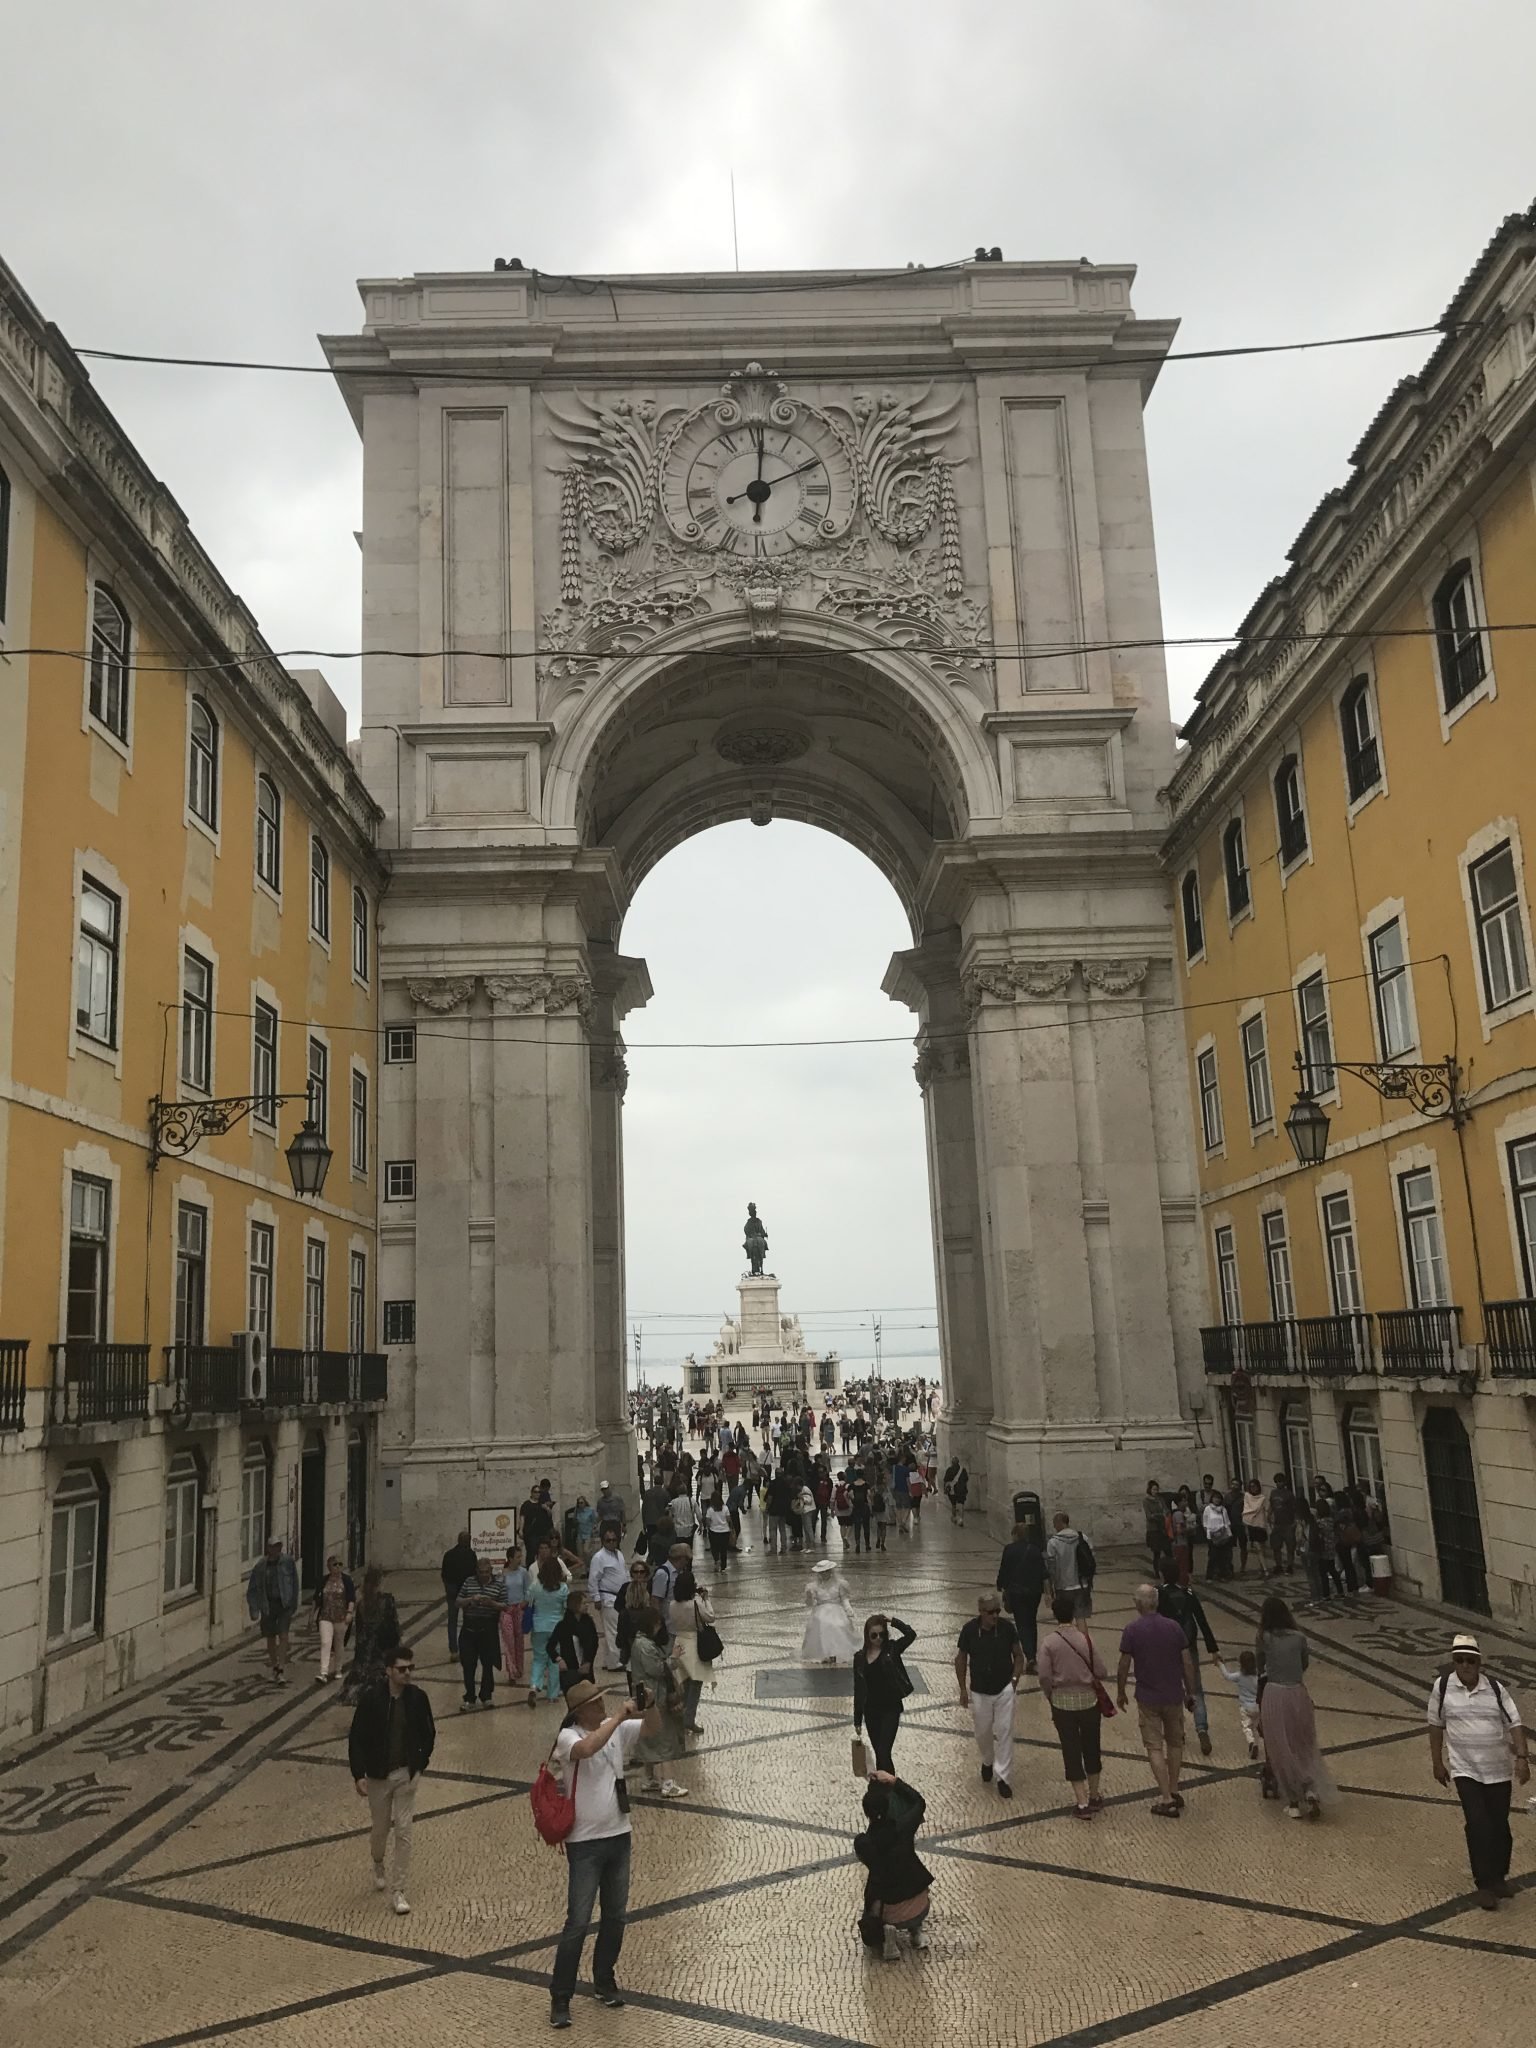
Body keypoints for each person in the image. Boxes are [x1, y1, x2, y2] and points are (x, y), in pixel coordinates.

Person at [548, 1681, 647, 2028]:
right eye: (597, 1702)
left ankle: (604, 1980)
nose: (604, 1705)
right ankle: (561, 1997)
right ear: (580, 1710)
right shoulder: (568, 1737)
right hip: (585, 1842)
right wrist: (619, 1716)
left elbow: (655, 1727)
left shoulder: (615, 1728)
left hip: (620, 1834)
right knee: (577, 1921)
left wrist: (657, 1700)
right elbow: (588, 1749)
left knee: (616, 1916)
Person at [1427, 1631, 1529, 1910]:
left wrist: (1522, 1757)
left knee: (1499, 1825)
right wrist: (1437, 1762)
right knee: (1478, 1823)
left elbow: (1515, 1722)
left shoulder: (1495, 1689)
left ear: (1479, 1662)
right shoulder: (1443, 1687)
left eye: (1470, 1661)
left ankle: (1498, 1877)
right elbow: (1435, 1725)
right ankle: (1483, 1884)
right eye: (1459, 1661)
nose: (1465, 1666)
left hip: (1497, 1769)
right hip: (1465, 1769)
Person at [348, 1642, 435, 1917]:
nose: (407, 1673)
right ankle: (377, 1861)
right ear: (388, 1671)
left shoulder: (418, 1698)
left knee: (405, 1831)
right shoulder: (372, 1699)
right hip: (377, 1775)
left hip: (406, 1773)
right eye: (401, 1669)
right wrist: (358, 1774)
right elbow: (356, 1738)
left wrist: (419, 1766)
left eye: (411, 1668)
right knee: (380, 1829)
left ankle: (399, 1890)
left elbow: (428, 1734)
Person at [1116, 1582, 1196, 1818]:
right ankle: (1174, 1788)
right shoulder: (1174, 1627)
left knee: (1154, 1746)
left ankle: (1166, 1797)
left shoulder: (1131, 1630)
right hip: (1174, 1694)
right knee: (1175, 1743)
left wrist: (1120, 1691)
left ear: (1138, 1604)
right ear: (1157, 1602)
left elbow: (1123, 1665)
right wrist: (1191, 1692)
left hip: (1148, 1696)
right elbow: (1187, 1662)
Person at [1255, 1594, 1335, 1819]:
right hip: (1298, 1693)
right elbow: (1304, 1663)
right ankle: (1310, 1787)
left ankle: (1293, 1801)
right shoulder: (1299, 1637)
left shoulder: (1264, 1637)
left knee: (1281, 1747)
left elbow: (1259, 1664)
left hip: (1274, 1694)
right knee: (1303, 1743)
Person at [1037, 1591, 1109, 1819]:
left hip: (1062, 1703)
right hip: (1089, 1701)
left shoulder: (1049, 1643)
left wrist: (1050, 1695)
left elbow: (1044, 1676)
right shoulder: (1085, 1639)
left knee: (1071, 1749)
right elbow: (1102, 1671)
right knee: (1091, 1746)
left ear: (1055, 1615)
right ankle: (1095, 1794)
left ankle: (1081, 1803)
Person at [854, 1772, 933, 1962]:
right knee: (910, 1881)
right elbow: (919, 1803)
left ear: (866, 1812)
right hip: (917, 1904)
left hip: (888, 1907)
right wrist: (896, 1782)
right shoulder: (904, 1827)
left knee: (873, 1894)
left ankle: (888, 1934)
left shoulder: (864, 1843)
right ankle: (916, 1932)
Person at [954, 1593, 1025, 1799]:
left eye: (997, 1611)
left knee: (1005, 1732)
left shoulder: (1007, 1628)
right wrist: (962, 1689)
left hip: (1004, 1689)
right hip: (979, 1691)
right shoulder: (969, 1630)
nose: (995, 1615)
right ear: (981, 1612)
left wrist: (1013, 1681)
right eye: (990, 1612)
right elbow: (960, 1659)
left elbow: (1019, 1655)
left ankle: (1003, 1777)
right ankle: (987, 1760)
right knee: (982, 1732)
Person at [1157, 1566, 1220, 1757]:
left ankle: (1179, 1731)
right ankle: (1202, 1729)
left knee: (1174, 1689)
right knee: (1196, 1689)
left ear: (1162, 1575)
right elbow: (1202, 1620)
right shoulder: (1188, 1594)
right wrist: (1213, 1649)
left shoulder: (1159, 1595)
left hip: (1168, 1650)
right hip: (1189, 1646)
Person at [627, 1607, 687, 1798]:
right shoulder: (645, 1646)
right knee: (664, 1738)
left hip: (644, 1696)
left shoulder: (639, 1643)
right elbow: (657, 1669)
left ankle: (649, 1778)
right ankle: (668, 1783)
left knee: (648, 1738)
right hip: (656, 1697)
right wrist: (674, 1658)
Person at [853, 1611, 917, 1775]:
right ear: (867, 1636)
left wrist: (894, 1621)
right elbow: (858, 1689)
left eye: (882, 1634)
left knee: (884, 1752)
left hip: (891, 1708)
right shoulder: (859, 1658)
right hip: (871, 1711)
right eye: (874, 1635)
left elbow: (911, 1634)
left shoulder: (892, 1649)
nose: (878, 1639)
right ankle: (884, 1790)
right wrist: (857, 1719)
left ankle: (891, 1790)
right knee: (879, 1754)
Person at [669, 1563, 717, 1735]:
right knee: (695, 1684)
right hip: (694, 1643)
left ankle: (681, 1716)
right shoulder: (695, 1604)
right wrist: (706, 1600)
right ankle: (688, 1718)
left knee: (684, 1682)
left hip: (679, 1642)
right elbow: (710, 1617)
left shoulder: (672, 1604)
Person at [246, 1538, 299, 1683]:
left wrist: (294, 1603)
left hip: (284, 1604)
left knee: (283, 1635)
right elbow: (252, 1589)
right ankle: (275, 1665)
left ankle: (281, 1667)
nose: (275, 1549)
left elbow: (294, 1583)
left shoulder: (288, 1562)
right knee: (270, 1637)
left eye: (278, 1546)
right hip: (268, 1605)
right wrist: (254, 1608)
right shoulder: (260, 1566)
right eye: (272, 1546)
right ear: (268, 1548)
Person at [995, 1521, 1046, 1672]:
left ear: (1015, 1535)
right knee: (1031, 1621)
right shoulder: (1035, 1549)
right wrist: (1048, 1592)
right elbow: (1043, 1572)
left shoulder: (1009, 1549)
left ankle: (1029, 1656)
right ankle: (1032, 1656)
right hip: (1034, 1592)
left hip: (1017, 1592)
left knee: (1022, 1623)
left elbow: (1004, 1569)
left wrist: (1000, 1585)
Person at [457, 1556, 504, 1709]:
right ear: (476, 1572)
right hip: (469, 1628)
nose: (483, 1575)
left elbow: (505, 1605)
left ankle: (486, 1695)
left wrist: (491, 1603)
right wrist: (471, 1600)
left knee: (488, 1663)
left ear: (491, 1571)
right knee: (468, 1664)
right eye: (481, 1572)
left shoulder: (499, 1583)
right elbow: (457, 1601)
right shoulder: (468, 1582)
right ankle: (469, 1696)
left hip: (488, 1628)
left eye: (486, 1572)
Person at [528, 1551, 570, 1707]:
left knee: (539, 1659)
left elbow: (528, 1601)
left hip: (538, 1626)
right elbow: (566, 1608)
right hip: (556, 1627)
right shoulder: (563, 1588)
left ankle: (534, 1686)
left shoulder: (536, 1586)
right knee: (554, 1661)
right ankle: (552, 1694)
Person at [803, 1557, 861, 1664]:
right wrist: (809, 1596)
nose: (824, 1574)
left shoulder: (840, 1584)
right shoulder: (814, 1586)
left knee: (839, 1625)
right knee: (821, 1624)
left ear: (831, 1572)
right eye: (821, 1572)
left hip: (837, 1610)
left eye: (826, 1572)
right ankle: (824, 1653)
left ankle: (837, 1652)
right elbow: (810, 1604)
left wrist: (849, 1609)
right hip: (820, 1611)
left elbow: (844, 1599)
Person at [588, 1524, 629, 1672]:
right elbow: (593, 1579)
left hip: (621, 1597)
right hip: (608, 1598)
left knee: (612, 1629)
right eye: (608, 1540)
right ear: (603, 1541)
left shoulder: (619, 1554)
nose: (611, 1542)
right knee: (613, 1631)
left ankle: (607, 1660)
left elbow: (624, 1572)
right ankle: (615, 1662)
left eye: (614, 1540)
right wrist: (596, 1598)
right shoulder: (599, 1558)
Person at [312, 1556, 356, 1685]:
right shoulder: (324, 1580)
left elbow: (351, 1598)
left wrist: (349, 1612)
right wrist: (311, 1616)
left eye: (340, 1564)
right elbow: (316, 1598)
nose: (337, 1567)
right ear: (329, 1567)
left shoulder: (347, 1580)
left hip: (341, 1617)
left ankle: (338, 1668)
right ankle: (323, 1671)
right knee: (326, 1642)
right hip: (325, 1616)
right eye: (334, 1564)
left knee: (338, 1643)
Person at [550, 1586, 600, 1696]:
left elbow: (594, 1643)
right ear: (575, 1605)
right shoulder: (563, 1626)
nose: (587, 1605)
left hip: (586, 1670)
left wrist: (588, 1662)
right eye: (583, 1603)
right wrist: (559, 1659)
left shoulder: (588, 1623)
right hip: (570, 1671)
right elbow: (550, 1646)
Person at [1046, 1511, 1094, 1619]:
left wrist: (1050, 1589)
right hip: (1082, 1584)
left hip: (1062, 1586)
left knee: (1064, 1620)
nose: (1054, 1526)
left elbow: (1051, 1567)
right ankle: (1082, 1636)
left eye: (1054, 1523)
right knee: (1081, 1619)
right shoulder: (1082, 1537)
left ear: (1060, 1523)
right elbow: (1091, 1558)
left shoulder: (1053, 1542)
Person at [440, 1530, 477, 1660]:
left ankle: (454, 1650)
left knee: (452, 1621)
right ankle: (468, 1646)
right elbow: (474, 1575)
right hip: (466, 1592)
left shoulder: (448, 1555)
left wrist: (448, 1587)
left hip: (452, 1591)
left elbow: (443, 1574)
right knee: (468, 1620)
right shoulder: (471, 1555)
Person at [1217, 1649, 1261, 1759]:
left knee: (1246, 1726)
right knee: (1255, 1727)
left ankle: (1251, 1742)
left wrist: (1220, 1664)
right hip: (1257, 1707)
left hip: (1245, 1707)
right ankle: (1256, 1744)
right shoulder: (1257, 1677)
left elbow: (1227, 1676)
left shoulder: (1240, 1676)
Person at [499, 1546, 531, 1691]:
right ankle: (511, 1671)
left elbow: (528, 1590)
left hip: (519, 1608)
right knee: (508, 1639)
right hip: (506, 1609)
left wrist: (524, 1603)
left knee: (519, 1639)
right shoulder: (502, 1574)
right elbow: (499, 1592)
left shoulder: (523, 1572)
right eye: (517, 1557)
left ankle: (519, 1667)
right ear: (510, 1558)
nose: (520, 1559)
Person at [615, 1558, 657, 1669]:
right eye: (636, 1571)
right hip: (630, 1630)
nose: (639, 1574)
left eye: (642, 1572)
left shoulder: (651, 1587)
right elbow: (617, 1605)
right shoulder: (625, 1587)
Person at [1267, 1473, 1297, 1575]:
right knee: (1276, 1546)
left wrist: (1294, 1522)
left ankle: (1289, 1566)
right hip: (1277, 1523)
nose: (1279, 1483)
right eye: (1277, 1481)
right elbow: (1271, 1505)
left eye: (1281, 1481)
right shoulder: (1273, 1493)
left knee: (1290, 1546)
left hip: (1288, 1523)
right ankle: (1278, 1565)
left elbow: (1294, 1508)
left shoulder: (1289, 1494)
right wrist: (1269, 1515)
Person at [1201, 1490, 1235, 1580]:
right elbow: (1205, 1523)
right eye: (1215, 1498)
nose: (1217, 1500)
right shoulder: (1208, 1509)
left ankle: (1223, 1575)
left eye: (1219, 1498)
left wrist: (1228, 1534)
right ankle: (1209, 1576)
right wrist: (1209, 1534)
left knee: (1223, 1557)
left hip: (1222, 1535)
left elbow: (1227, 1522)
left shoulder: (1223, 1509)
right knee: (1212, 1557)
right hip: (1212, 1536)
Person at [1239, 1478, 1268, 1578]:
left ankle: (1261, 1568)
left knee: (1262, 1549)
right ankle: (1265, 1569)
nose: (1253, 1488)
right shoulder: (1247, 1496)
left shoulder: (1262, 1498)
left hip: (1261, 1525)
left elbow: (1261, 1511)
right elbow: (1247, 1509)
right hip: (1251, 1525)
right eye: (1251, 1486)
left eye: (1255, 1486)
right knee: (1258, 1548)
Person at [947, 1462, 969, 1527]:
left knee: (953, 1504)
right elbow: (966, 1479)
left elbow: (946, 1479)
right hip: (962, 1489)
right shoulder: (963, 1470)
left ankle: (954, 1517)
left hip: (953, 1490)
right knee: (961, 1503)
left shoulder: (949, 1469)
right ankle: (961, 1519)